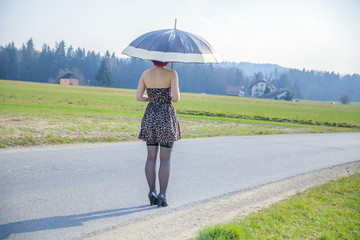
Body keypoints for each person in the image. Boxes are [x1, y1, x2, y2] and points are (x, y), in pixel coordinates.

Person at [136, 60, 181, 207]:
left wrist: (153, 98)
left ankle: (151, 192)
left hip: (150, 116)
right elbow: (175, 98)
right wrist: (164, 97)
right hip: (166, 117)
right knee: (165, 160)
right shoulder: (172, 73)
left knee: (150, 158)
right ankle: (162, 195)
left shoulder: (145, 74)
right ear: (167, 60)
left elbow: (139, 97)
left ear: (152, 59)